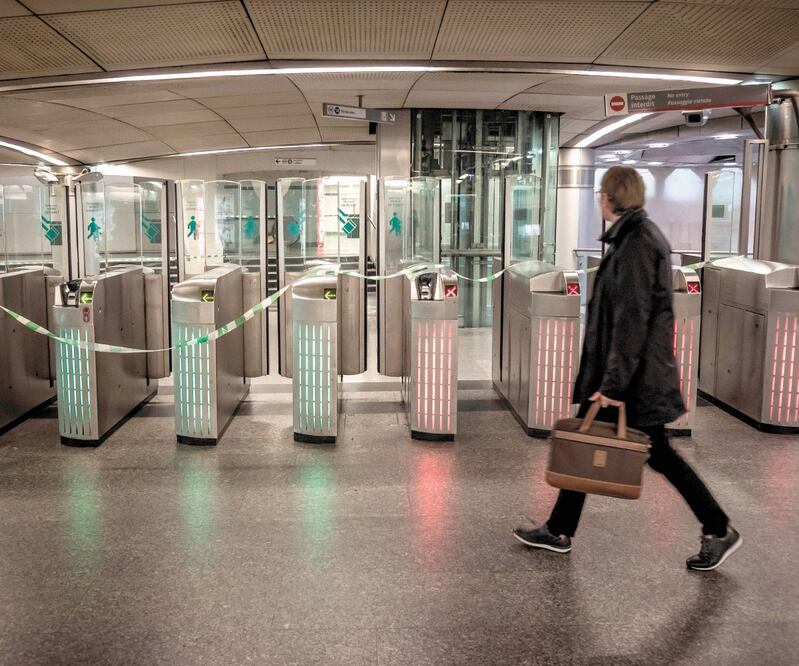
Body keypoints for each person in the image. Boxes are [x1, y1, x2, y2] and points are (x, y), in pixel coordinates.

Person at [513, 166, 742, 572]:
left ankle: (718, 527)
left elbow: (631, 321)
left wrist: (613, 385)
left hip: (633, 380)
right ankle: (559, 529)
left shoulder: (636, 244)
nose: (598, 200)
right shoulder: (633, 238)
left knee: (659, 455)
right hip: (629, 374)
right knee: (588, 442)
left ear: (610, 198)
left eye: (601, 194)